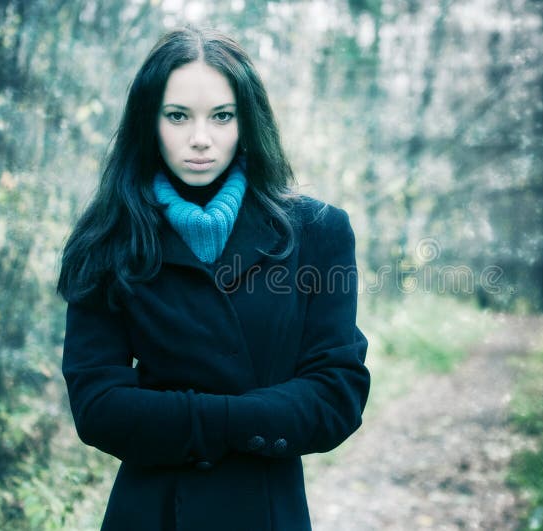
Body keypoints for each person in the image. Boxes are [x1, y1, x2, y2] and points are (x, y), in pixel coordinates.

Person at [57, 26, 369, 530]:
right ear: (149, 121)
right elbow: (98, 405)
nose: (200, 139)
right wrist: (246, 416)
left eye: (221, 116)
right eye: (178, 116)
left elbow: (337, 394)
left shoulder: (317, 231)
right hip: (153, 512)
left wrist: (196, 418)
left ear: (246, 122)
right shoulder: (109, 237)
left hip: (266, 510)